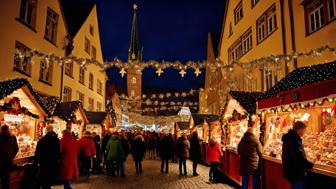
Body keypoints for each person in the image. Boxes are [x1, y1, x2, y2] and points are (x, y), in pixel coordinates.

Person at [282, 121, 314, 189]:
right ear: (299, 129)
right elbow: (299, 158)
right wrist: (311, 164)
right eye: (304, 130)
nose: (304, 132)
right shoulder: (294, 141)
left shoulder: (289, 138)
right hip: (296, 173)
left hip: (291, 171)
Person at [237, 122, 263, 189]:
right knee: (255, 181)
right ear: (254, 133)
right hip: (254, 166)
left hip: (244, 164)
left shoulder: (242, 141)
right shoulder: (256, 141)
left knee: (244, 181)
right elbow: (260, 152)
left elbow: (238, 151)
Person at [0, 125, 19, 189]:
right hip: (8, 161)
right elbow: (16, 149)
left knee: (4, 178)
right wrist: (11, 156)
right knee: (6, 179)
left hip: (1, 161)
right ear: (8, 129)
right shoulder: (12, 137)